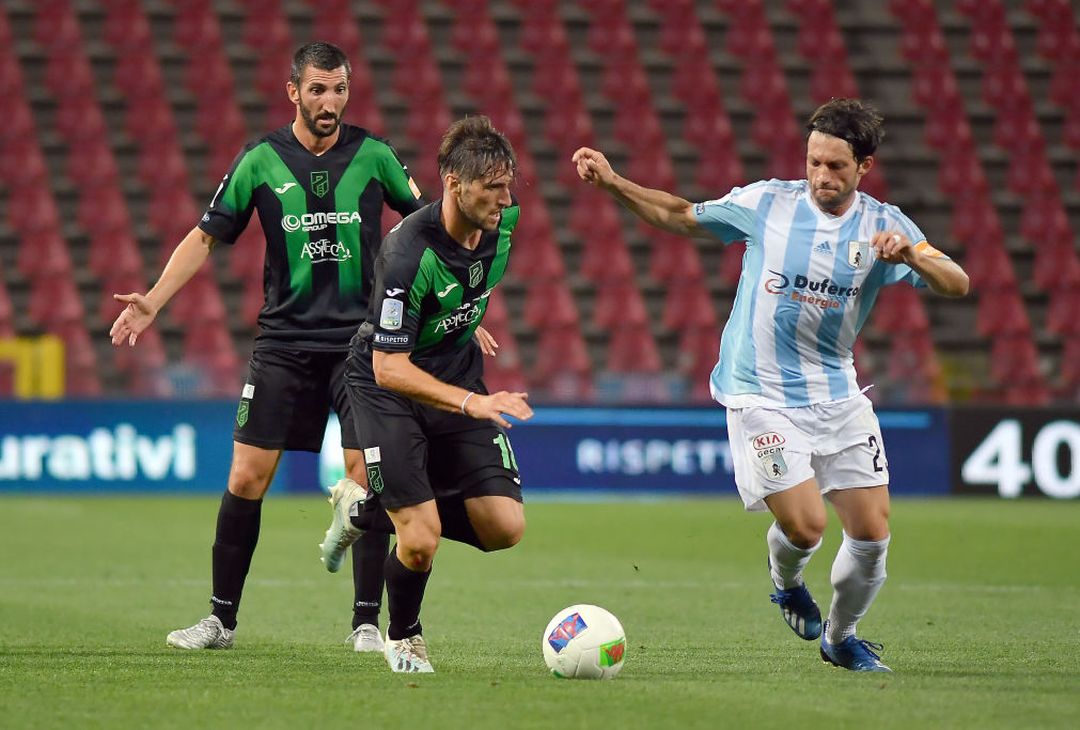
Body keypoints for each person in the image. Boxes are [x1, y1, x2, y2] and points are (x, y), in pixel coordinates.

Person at [573, 98, 969, 672]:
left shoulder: (886, 225)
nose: (821, 177)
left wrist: (912, 254)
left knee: (873, 535)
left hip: (837, 393)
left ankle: (842, 636)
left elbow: (957, 283)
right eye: (814, 162)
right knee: (806, 527)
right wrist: (614, 183)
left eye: (836, 166)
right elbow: (681, 215)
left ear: (865, 167)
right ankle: (786, 582)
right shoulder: (767, 204)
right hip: (759, 393)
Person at [109, 41, 434, 652]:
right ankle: (220, 621)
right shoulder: (260, 159)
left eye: (339, 88)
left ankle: (366, 624)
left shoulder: (375, 156)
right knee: (247, 475)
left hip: (358, 347)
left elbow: (429, 231)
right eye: (317, 89)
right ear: (293, 91)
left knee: (366, 479)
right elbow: (206, 238)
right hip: (283, 343)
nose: (330, 101)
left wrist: (452, 310)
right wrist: (153, 299)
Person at [317, 115, 532, 673]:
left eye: (509, 184)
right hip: (389, 387)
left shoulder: (502, 225)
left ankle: (364, 512)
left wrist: (460, 321)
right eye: (492, 187)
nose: (506, 199)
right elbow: (389, 367)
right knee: (420, 541)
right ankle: (404, 636)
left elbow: (464, 285)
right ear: (453, 183)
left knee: (505, 527)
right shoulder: (405, 253)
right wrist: (472, 402)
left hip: (454, 371)